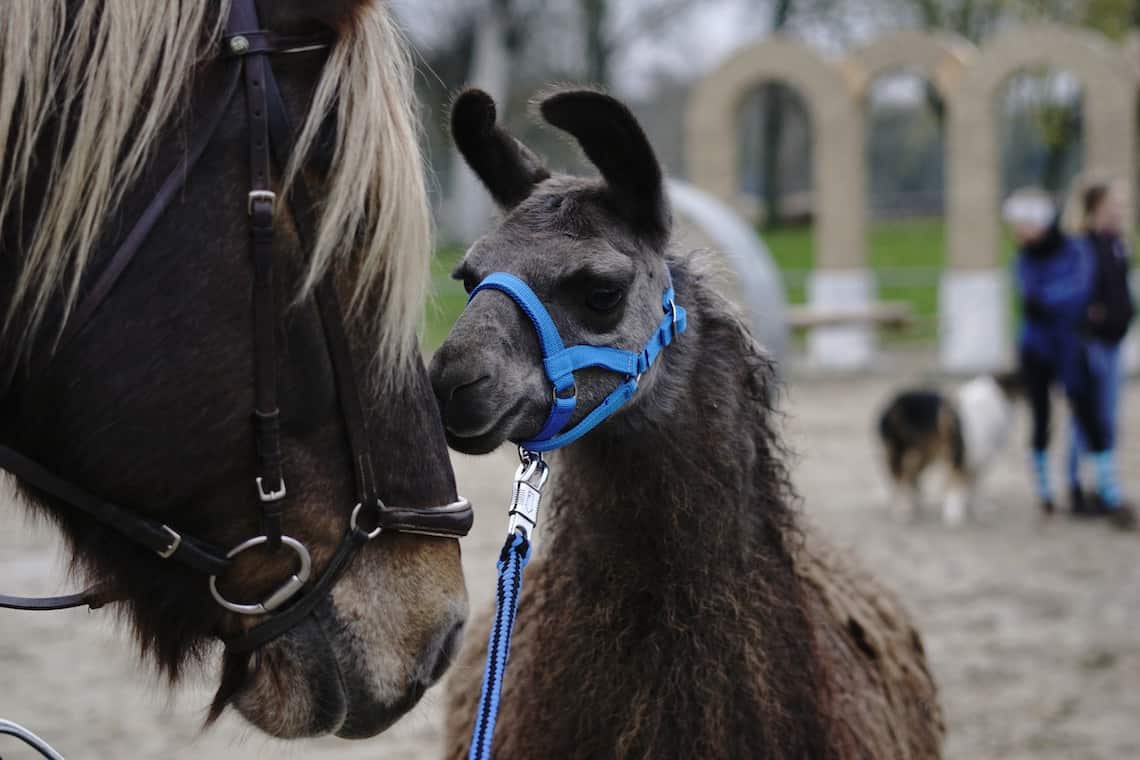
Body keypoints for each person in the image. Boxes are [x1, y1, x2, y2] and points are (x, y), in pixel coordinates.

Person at [1005, 188, 1135, 529]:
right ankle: (1046, 492)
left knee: (1090, 415)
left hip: (1068, 347)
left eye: (1024, 224)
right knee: (1041, 417)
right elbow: (1038, 295)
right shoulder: (1025, 258)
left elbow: (1070, 292)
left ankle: (1108, 490)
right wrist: (1059, 301)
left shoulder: (1072, 250)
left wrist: (1054, 301)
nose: (1020, 233)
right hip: (1038, 349)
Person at [1068, 181, 1136, 516]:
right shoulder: (1083, 246)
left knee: (1107, 417)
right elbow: (1077, 292)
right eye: (1114, 204)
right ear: (1096, 207)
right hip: (1091, 343)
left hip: (1114, 342)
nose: (1121, 211)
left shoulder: (1117, 245)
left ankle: (1103, 485)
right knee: (1086, 418)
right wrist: (1091, 317)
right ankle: (1076, 486)